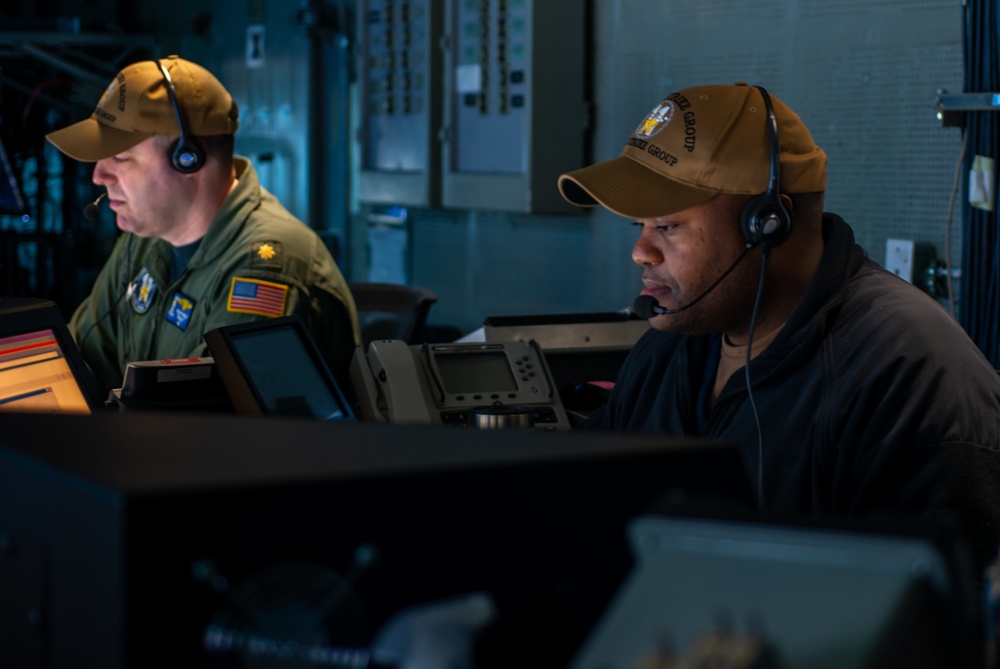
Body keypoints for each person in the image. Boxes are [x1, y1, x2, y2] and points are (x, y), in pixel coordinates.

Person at [557, 82, 1000, 579]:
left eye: (667, 226)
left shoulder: (907, 373)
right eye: (637, 226)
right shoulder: (670, 346)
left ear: (767, 224)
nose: (641, 252)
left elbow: (932, 624)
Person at [46, 55, 360, 396]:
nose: (98, 175)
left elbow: (208, 425)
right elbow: (80, 360)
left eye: (120, 158)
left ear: (188, 158)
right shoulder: (145, 241)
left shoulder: (264, 267)